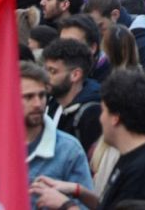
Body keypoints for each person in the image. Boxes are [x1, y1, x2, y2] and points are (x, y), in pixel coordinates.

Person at [31, 68, 145, 210]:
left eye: (103, 111)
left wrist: (65, 205)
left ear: (115, 118)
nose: (100, 118)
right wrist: (78, 190)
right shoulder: (138, 155)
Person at [23, 61, 95, 199]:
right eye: (28, 97)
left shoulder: (68, 149)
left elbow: (84, 205)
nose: (38, 104)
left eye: (42, 95)